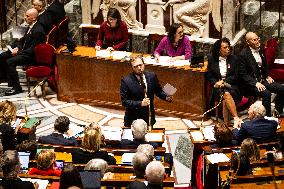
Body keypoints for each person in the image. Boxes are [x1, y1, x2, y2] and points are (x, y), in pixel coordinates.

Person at [0, 8, 46, 95]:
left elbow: (33, 50)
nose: (24, 17)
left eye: (27, 16)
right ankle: (5, 77)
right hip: (24, 52)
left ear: (34, 18)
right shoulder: (31, 26)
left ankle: (17, 88)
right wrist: (17, 47)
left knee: (10, 62)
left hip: (31, 56)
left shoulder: (38, 31)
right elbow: (22, 41)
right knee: (3, 56)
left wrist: (18, 53)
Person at [238, 32, 284, 117]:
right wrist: (255, 83)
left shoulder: (261, 49)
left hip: (262, 80)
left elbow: (265, 65)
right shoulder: (243, 55)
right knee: (266, 94)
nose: (257, 41)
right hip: (250, 84)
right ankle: (267, 118)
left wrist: (267, 76)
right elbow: (243, 74)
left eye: (258, 38)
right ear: (248, 42)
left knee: (281, 88)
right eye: (254, 40)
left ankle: (278, 111)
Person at [120, 55, 173, 127]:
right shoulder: (126, 81)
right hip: (133, 118)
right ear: (132, 67)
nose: (139, 68)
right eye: (136, 66)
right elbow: (124, 102)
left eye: (140, 65)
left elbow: (158, 91)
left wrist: (166, 97)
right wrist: (140, 103)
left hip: (149, 116)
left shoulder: (152, 76)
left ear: (143, 64)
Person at [207, 37, 242, 127]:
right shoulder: (211, 59)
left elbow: (235, 75)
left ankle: (233, 119)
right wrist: (215, 83)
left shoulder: (234, 59)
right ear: (219, 50)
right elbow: (210, 75)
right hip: (217, 87)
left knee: (226, 94)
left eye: (228, 47)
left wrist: (223, 81)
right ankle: (233, 120)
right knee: (225, 94)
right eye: (225, 48)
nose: (228, 49)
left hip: (231, 85)